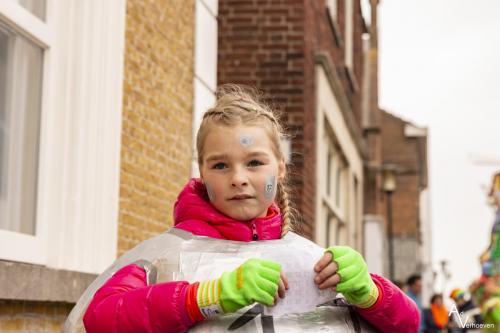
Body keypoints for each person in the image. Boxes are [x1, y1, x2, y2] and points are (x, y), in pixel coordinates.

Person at [82, 84, 420, 332]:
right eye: (220, 166)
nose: (238, 178)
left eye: (255, 162)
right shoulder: (167, 256)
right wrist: (207, 295)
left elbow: (408, 323)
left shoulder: (312, 260)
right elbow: (99, 317)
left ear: (281, 169)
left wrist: (371, 291)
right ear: (202, 172)